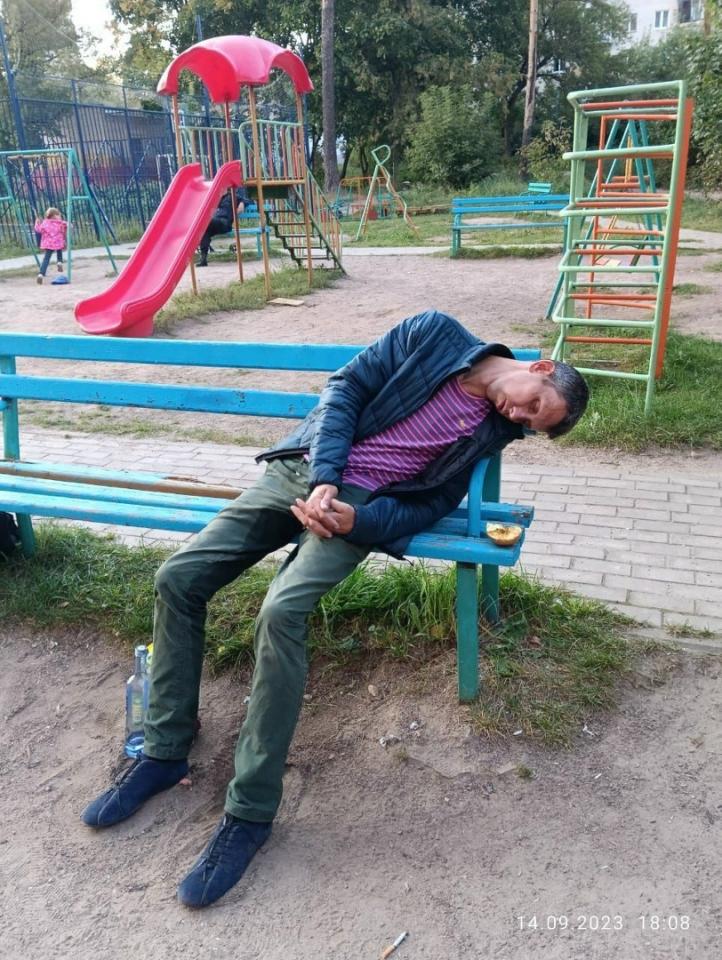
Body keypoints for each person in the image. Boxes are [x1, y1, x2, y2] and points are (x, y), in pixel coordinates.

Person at [81, 310, 589, 909]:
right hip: (303, 469)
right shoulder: (433, 334)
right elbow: (346, 388)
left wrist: (360, 521)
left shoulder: (491, 430)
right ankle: (164, 751)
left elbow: (425, 506)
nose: (519, 418)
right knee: (178, 577)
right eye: (534, 405)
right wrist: (323, 477)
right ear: (540, 367)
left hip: (359, 509)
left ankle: (249, 812)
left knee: (280, 614)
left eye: (531, 424)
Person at [197, 188, 247, 266]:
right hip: (213, 224)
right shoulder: (215, 199)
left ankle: (203, 256)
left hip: (224, 223)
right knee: (204, 231)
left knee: (206, 223)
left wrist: (242, 203)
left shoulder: (232, 196)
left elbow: (247, 200)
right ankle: (203, 258)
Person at [34, 207, 67, 284]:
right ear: (54, 216)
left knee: (46, 258)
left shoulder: (45, 223)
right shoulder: (60, 223)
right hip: (58, 242)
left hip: (48, 244)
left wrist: (37, 223)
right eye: (58, 215)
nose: (60, 216)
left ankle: (41, 274)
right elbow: (69, 225)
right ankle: (59, 262)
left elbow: (38, 230)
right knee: (59, 250)